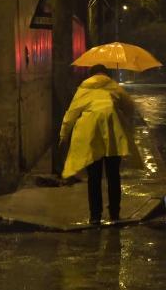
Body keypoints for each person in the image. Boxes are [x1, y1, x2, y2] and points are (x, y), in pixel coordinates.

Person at [59, 64, 139, 225]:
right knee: (113, 176)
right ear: (106, 74)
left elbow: (71, 114)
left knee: (94, 178)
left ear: (91, 74)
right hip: (113, 135)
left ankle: (95, 216)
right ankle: (115, 214)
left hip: (91, 135)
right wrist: (124, 118)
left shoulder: (84, 88)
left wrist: (63, 136)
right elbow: (130, 106)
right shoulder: (113, 86)